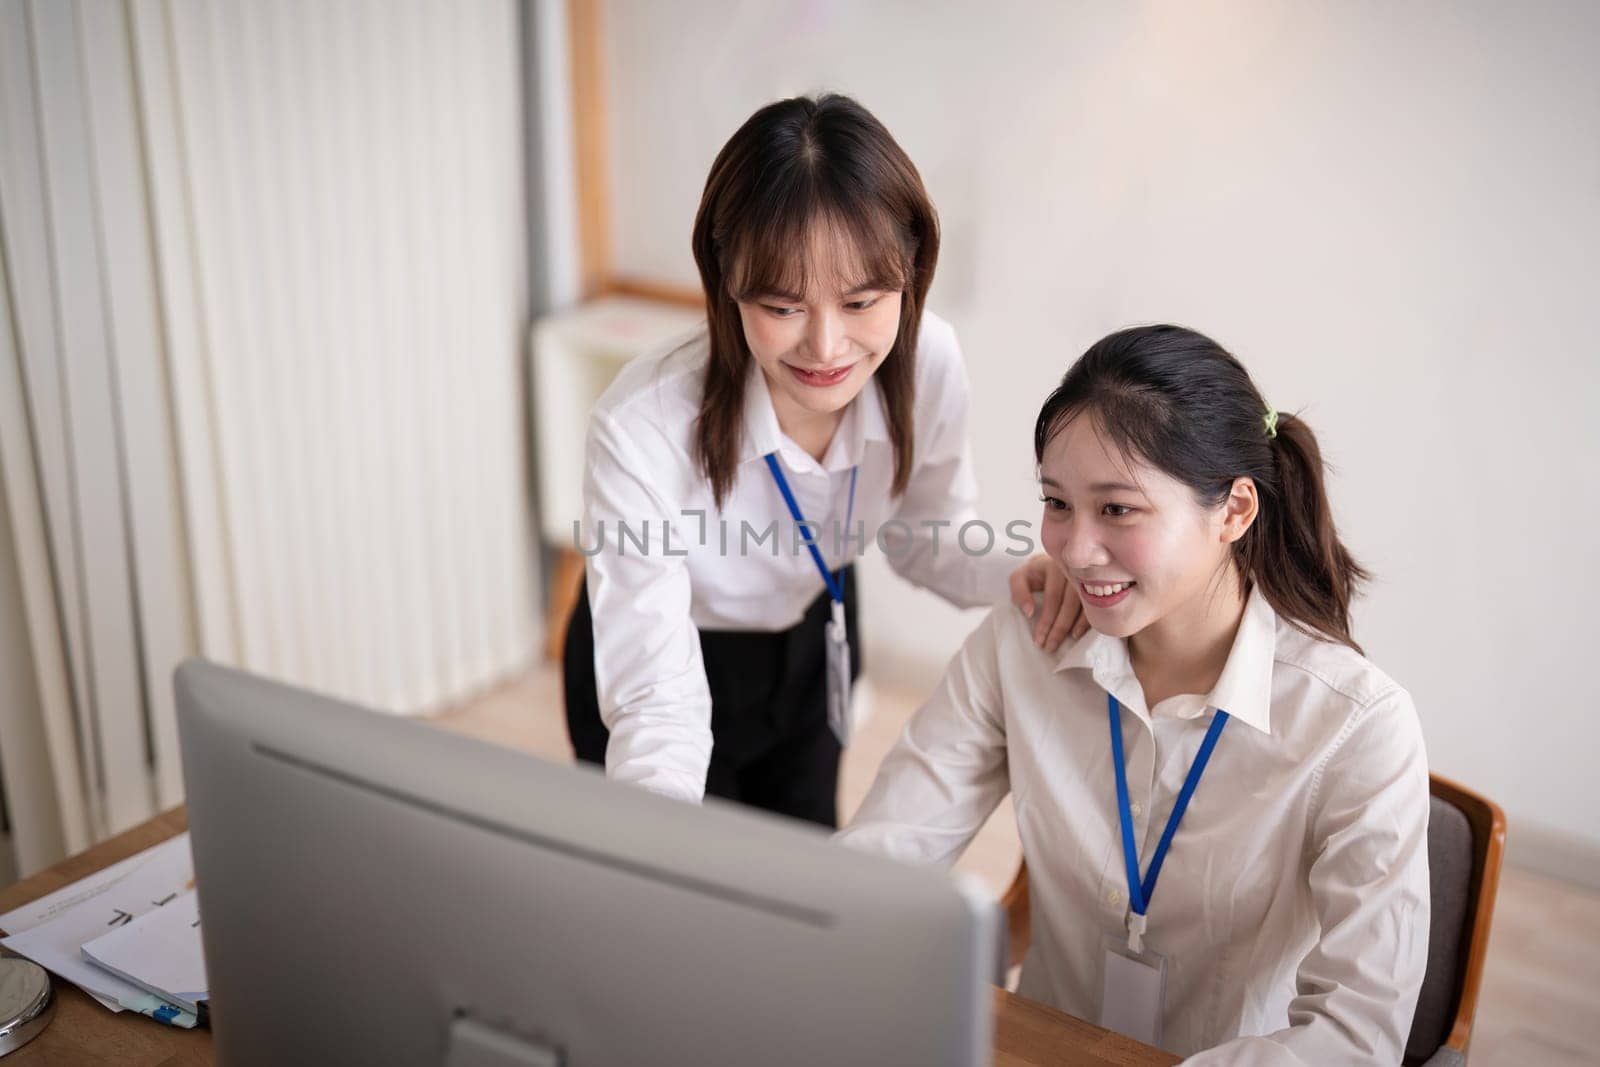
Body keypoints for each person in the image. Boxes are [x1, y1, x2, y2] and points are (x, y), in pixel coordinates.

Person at [837, 325, 1430, 1063]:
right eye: (1057, 502)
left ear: (1235, 511)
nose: (1075, 548)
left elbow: (1355, 1033)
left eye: (1117, 509)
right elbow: (880, 859)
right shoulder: (1024, 643)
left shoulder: (1357, 725)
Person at [563, 93, 1083, 827]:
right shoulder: (641, 423)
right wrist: (660, 845)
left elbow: (923, 534)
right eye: (782, 308)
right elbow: (657, 700)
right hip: (665, 645)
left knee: (805, 874)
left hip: (815, 636)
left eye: (863, 301)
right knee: (695, 897)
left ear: (912, 268)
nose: (827, 347)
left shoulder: (927, 360)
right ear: (727, 280)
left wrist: (1016, 575)